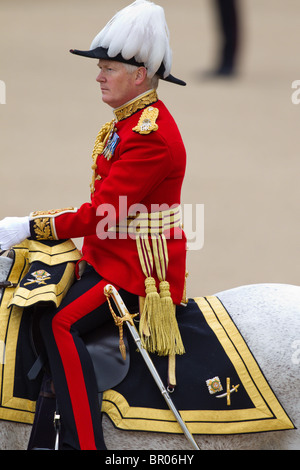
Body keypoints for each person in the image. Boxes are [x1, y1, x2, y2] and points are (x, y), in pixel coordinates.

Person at [0, 0, 187, 450]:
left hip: (138, 271)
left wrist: (29, 224)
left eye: (107, 68)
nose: (99, 75)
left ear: (139, 75)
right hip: (109, 255)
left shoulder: (151, 137)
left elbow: (103, 212)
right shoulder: (129, 122)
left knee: (59, 324)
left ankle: (86, 442)